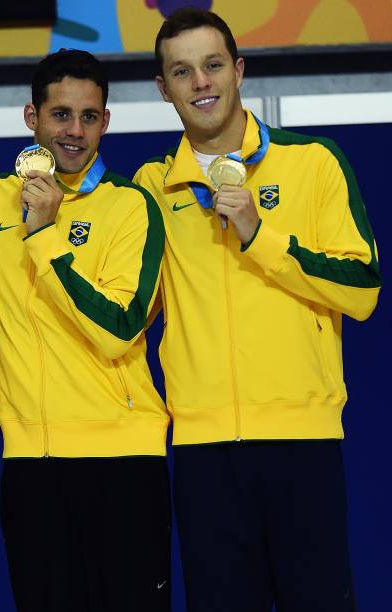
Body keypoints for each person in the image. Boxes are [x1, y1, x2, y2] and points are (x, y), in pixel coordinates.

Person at [134, 8, 381, 612]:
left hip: (303, 445)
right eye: (183, 72)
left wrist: (258, 234)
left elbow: (363, 290)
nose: (201, 83)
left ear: (239, 70)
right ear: (164, 89)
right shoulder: (150, 187)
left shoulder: (314, 161)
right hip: (203, 456)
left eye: (213, 65)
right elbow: (130, 316)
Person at [0, 50, 170, 612]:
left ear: (106, 122)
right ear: (31, 117)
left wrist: (44, 236)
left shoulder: (130, 206)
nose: (75, 131)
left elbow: (119, 328)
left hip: (123, 459)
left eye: (89, 116)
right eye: (60, 115)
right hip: (32, 462)